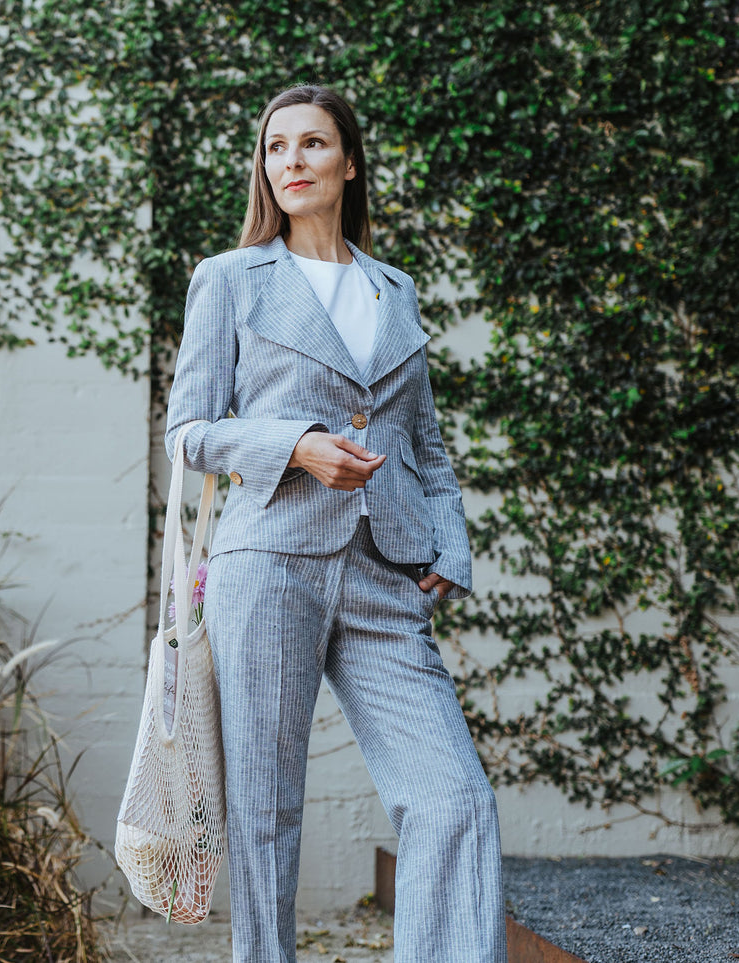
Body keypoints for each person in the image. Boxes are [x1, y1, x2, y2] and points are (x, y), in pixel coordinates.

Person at [163, 84, 507, 963]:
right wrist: (296, 443)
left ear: (347, 162)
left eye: (311, 145)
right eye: (276, 149)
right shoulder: (230, 279)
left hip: (385, 571)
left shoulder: (394, 289)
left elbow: (424, 444)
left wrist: (447, 546)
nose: (291, 163)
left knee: (453, 797)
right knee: (266, 811)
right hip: (269, 558)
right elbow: (191, 432)